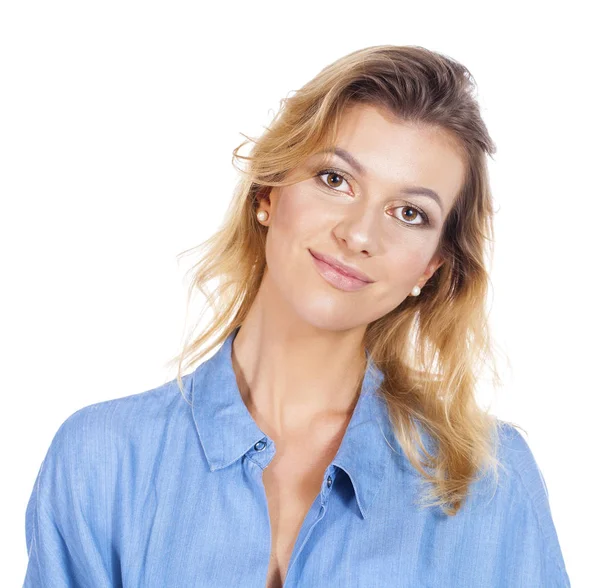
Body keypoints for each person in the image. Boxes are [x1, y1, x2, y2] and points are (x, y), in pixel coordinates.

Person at [23, 45, 570, 587]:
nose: (358, 234)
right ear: (269, 190)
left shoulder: (489, 481)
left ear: (430, 266)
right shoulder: (103, 460)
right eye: (335, 179)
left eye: (409, 213)